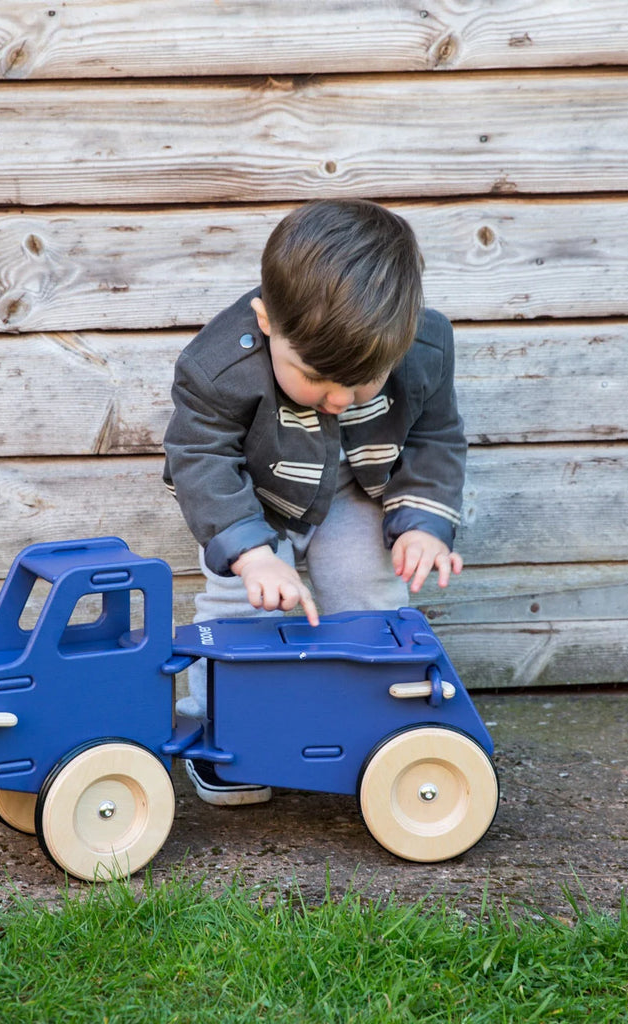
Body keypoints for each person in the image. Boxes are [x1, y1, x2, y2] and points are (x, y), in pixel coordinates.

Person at [163, 199, 466, 805]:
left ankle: (374, 726)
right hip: (256, 502)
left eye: (362, 384)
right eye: (316, 379)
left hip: (355, 494)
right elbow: (200, 458)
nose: (338, 400)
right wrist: (251, 553)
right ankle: (226, 732)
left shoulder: (425, 349)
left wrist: (424, 522)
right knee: (240, 610)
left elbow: (435, 437)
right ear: (267, 320)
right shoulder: (218, 365)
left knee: (370, 593)